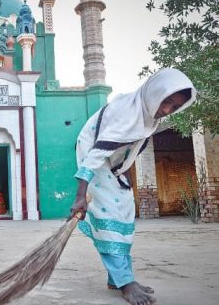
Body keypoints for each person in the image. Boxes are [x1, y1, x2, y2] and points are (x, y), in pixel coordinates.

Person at [69, 68, 197, 305]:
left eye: (174, 106)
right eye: (166, 100)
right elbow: (97, 153)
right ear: (155, 91)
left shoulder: (148, 114)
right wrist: (81, 195)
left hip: (111, 163)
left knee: (125, 210)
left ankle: (117, 278)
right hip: (92, 155)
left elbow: (127, 150)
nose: (167, 109)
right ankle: (125, 282)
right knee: (110, 215)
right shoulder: (127, 113)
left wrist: (121, 175)